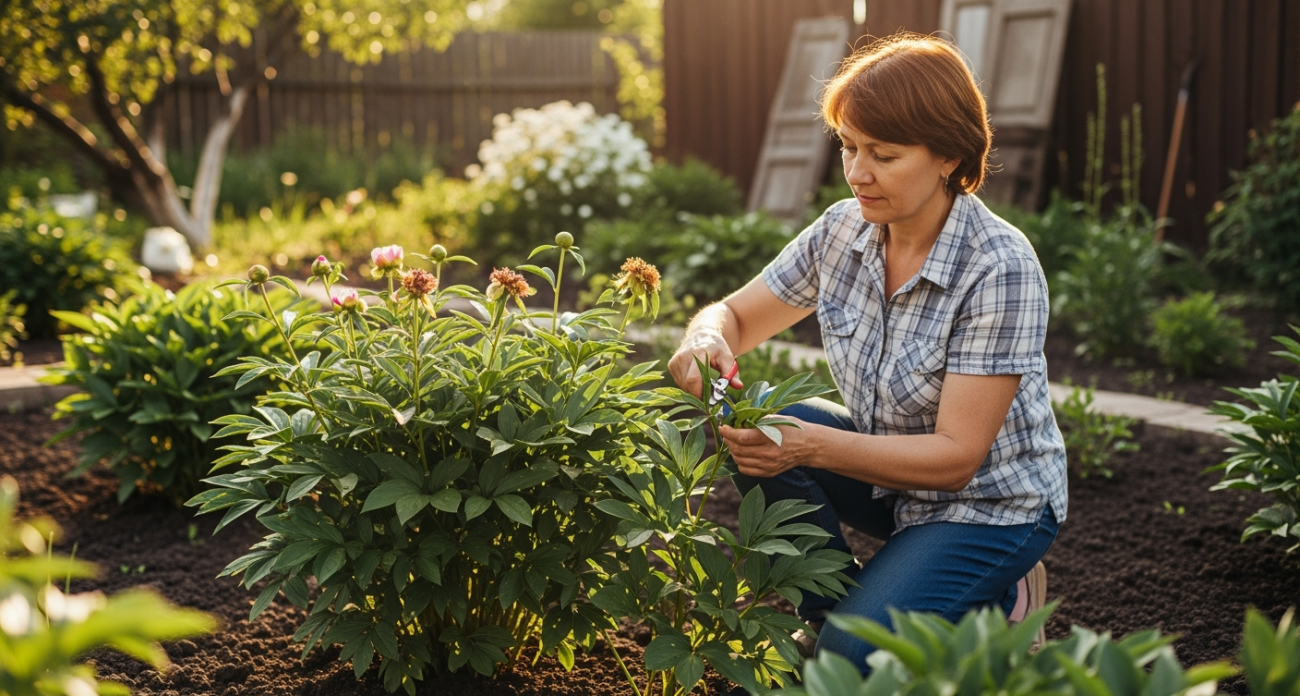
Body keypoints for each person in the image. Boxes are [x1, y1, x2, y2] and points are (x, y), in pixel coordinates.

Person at [667, 32, 1067, 671]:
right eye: (849, 147)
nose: (857, 172)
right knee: (757, 419)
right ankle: (828, 617)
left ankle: (996, 596)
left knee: (856, 657)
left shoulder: (999, 267)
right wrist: (706, 337)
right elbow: (737, 314)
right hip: (889, 477)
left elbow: (957, 460)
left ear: (948, 155)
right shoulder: (842, 230)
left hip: (991, 504)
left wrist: (811, 445)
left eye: (883, 153)